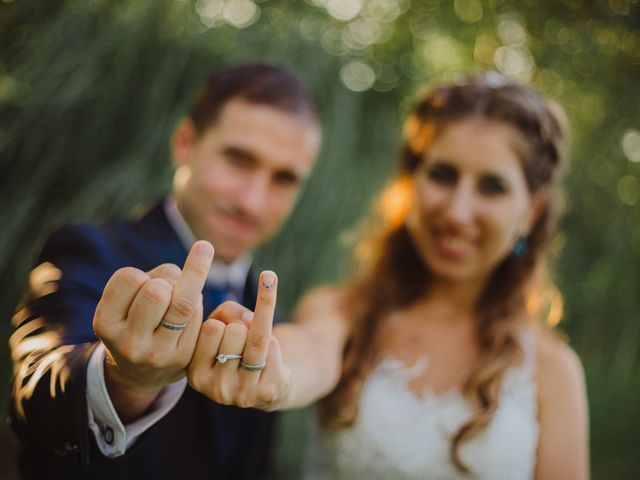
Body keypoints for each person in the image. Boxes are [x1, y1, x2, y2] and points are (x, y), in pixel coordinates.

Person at [197, 73, 589, 479]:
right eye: (442, 175)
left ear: (532, 211)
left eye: (492, 187)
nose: (457, 211)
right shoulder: (343, 311)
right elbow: (307, 352)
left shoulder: (553, 372)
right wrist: (270, 370)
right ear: (410, 182)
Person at [8, 63, 322, 479]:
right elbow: (39, 384)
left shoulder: (267, 311)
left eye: (283, 179)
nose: (253, 201)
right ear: (185, 143)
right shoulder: (89, 249)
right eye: (238, 160)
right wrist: (124, 379)